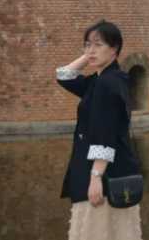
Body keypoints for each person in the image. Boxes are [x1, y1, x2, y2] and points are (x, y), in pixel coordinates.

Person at [56, 21, 142, 240]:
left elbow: (105, 133)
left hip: (102, 176)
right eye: (87, 45)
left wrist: (95, 178)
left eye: (98, 44)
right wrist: (91, 55)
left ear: (114, 49)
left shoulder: (106, 84)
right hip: (115, 171)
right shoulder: (105, 79)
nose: (90, 50)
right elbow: (63, 76)